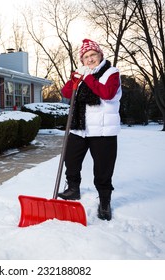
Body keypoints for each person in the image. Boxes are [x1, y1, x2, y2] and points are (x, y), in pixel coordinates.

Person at [58, 38, 122, 221]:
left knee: (103, 169)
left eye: (93, 54)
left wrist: (87, 78)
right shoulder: (82, 74)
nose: (90, 59)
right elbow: (67, 94)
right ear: (82, 60)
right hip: (80, 128)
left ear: (100, 55)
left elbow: (107, 93)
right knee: (71, 160)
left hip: (103, 132)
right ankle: (73, 189)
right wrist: (74, 80)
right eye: (86, 57)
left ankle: (104, 201)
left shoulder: (111, 73)